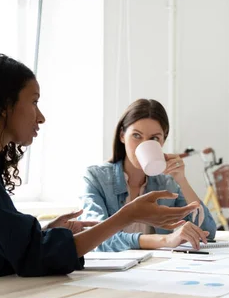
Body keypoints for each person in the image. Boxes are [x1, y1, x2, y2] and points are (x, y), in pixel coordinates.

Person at [0, 54, 197, 294]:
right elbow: (30, 254)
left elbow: (0, 245)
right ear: (2, 107)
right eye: (34, 101)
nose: (41, 116)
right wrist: (128, 216)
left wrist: (46, 233)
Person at [79, 99, 217, 251]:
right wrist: (165, 240)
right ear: (122, 135)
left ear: (163, 141)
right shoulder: (96, 178)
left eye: (154, 138)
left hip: (153, 267)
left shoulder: (167, 183)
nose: (143, 144)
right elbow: (95, 238)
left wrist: (182, 181)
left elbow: (208, 233)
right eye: (137, 136)